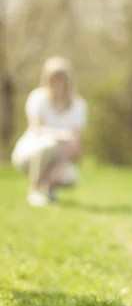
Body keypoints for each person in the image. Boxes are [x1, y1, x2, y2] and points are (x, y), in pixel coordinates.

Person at [11, 56, 88, 207]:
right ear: (46, 78)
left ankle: (50, 189)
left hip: (58, 159)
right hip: (29, 154)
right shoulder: (38, 98)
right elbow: (37, 129)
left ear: (69, 80)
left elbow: (75, 144)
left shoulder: (79, 104)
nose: (58, 82)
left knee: (71, 177)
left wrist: (58, 169)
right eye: (54, 78)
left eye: (62, 78)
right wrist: (62, 135)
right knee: (48, 144)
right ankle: (34, 191)